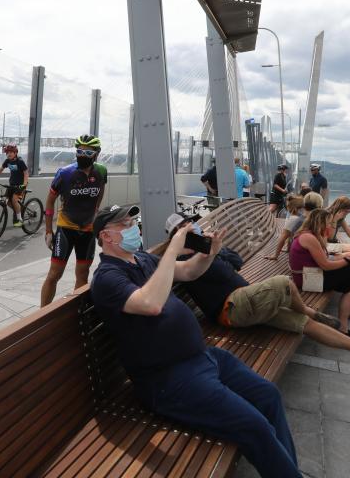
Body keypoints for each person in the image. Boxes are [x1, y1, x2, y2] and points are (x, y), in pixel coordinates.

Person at [90, 204, 302, 478]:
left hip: (202, 357)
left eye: (133, 221)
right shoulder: (107, 278)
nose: (134, 228)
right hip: (168, 380)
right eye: (126, 225)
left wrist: (209, 253)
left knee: (268, 396)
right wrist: (172, 250)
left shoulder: (142, 259)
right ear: (107, 236)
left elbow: (189, 272)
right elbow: (150, 303)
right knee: (254, 426)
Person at [164, 214, 350, 371]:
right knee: (283, 283)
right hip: (232, 307)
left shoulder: (208, 250)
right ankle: (311, 310)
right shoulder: (180, 260)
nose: (191, 227)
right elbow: (189, 273)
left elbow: (236, 261)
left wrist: (213, 249)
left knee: (304, 324)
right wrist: (198, 253)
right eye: (185, 228)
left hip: (248, 299)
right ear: (177, 236)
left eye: (191, 223)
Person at [41, 134, 107, 306]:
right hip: (66, 228)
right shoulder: (64, 173)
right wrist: (48, 231)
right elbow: (49, 202)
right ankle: (42, 313)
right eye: (79, 151)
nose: (82, 155)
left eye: (87, 152)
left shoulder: (101, 171)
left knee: (83, 274)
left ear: (96, 153)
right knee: (54, 274)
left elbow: (100, 190)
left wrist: (96, 211)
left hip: (88, 229)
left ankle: (79, 311)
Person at [290, 209, 350, 337]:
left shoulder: (311, 235)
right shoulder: (308, 237)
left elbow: (326, 259)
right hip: (306, 280)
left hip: (311, 275)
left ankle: (343, 327)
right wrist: (347, 260)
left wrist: (347, 259)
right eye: (329, 223)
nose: (331, 226)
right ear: (321, 222)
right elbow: (325, 265)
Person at [266, 193, 317, 261]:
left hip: (299, 249)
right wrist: (288, 248)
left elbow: (282, 238)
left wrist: (275, 255)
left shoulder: (293, 219)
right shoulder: (305, 217)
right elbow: (291, 234)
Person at [0, 144, 29, 227]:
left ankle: (20, 219)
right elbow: (0, 169)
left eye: (11, 152)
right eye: (7, 152)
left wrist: (24, 184)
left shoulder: (20, 161)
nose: (9, 154)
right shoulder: (7, 161)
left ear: (15, 153)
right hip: (12, 184)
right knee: (7, 202)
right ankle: (18, 210)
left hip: (20, 185)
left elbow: (26, 173)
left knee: (14, 200)